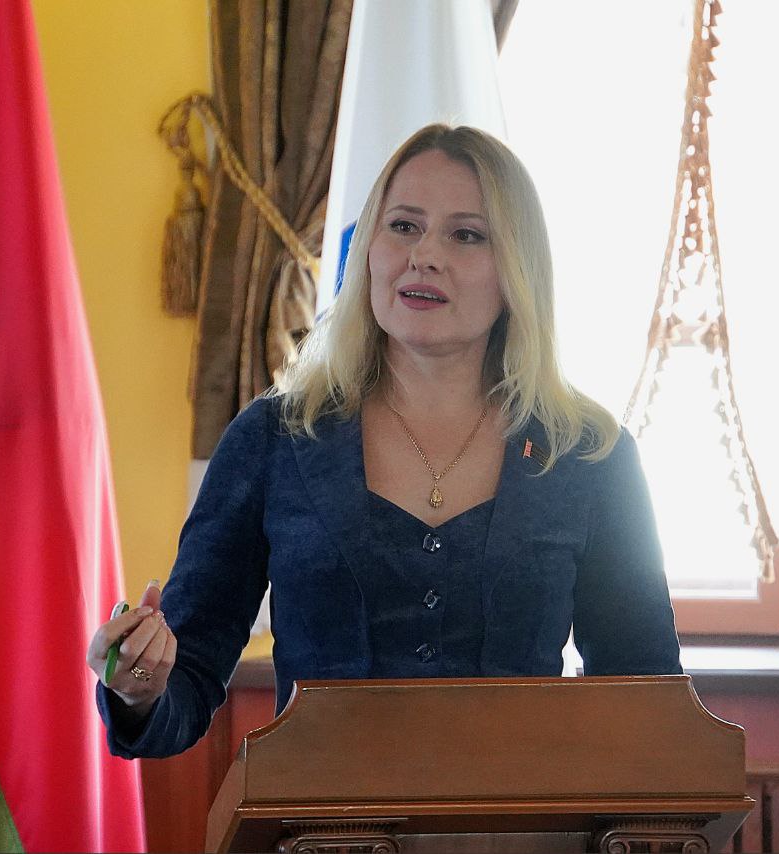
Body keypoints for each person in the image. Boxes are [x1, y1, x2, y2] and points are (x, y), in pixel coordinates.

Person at [87, 124, 681, 760]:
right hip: (317, 812)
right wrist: (140, 686)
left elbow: (647, 696)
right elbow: (187, 681)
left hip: (520, 812)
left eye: (466, 235)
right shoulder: (272, 438)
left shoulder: (589, 454)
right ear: (367, 248)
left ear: (517, 270)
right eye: (403, 226)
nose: (424, 255)